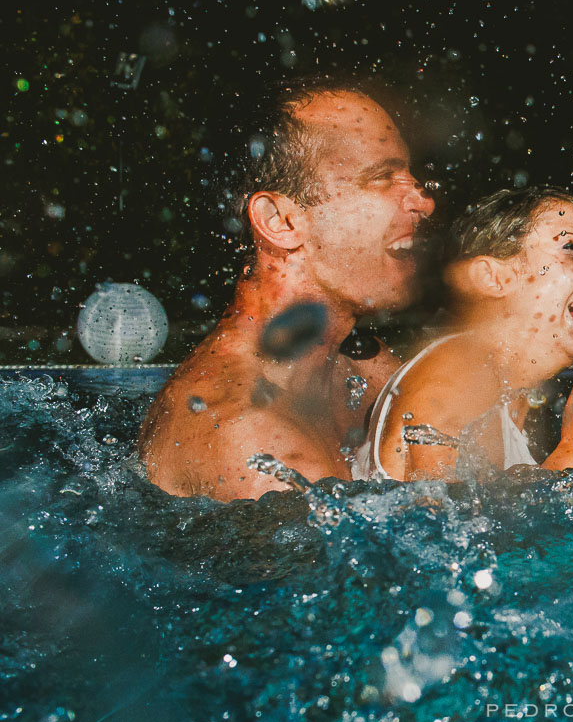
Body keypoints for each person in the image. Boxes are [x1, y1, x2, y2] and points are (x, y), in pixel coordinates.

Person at [139, 76, 435, 501]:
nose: (424, 202)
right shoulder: (249, 440)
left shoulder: (360, 364)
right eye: (383, 177)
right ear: (281, 221)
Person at [352, 186, 573, 483]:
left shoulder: (507, 392)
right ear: (492, 278)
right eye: (572, 249)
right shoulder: (455, 376)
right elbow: (438, 526)